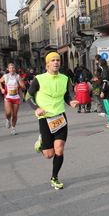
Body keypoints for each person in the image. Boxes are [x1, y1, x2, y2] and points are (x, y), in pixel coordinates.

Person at [26, 52, 79, 190]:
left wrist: (71, 102)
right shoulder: (39, 79)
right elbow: (28, 96)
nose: (56, 62)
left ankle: (54, 177)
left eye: (58, 60)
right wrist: (36, 108)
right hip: (45, 118)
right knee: (48, 155)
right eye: (53, 60)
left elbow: (67, 95)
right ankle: (42, 140)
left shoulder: (65, 78)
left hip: (60, 117)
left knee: (59, 150)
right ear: (47, 64)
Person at [0, 63, 26, 135]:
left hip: (16, 97)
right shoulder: (5, 76)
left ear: (15, 69)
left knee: (15, 114)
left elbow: (24, 87)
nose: (12, 69)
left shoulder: (18, 77)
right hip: (8, 97)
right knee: (8, 113)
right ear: (8, 69)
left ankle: (13, 128)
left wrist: (18, 86)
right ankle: (8, 119)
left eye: (13, 68)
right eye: (10, 68)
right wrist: (2, 89)